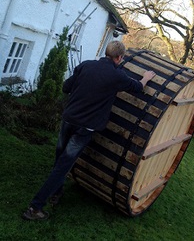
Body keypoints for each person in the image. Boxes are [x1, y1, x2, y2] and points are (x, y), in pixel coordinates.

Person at [22, 41, 156, 220]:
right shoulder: (117, 76)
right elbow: (138, 87)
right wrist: (146, 77)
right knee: (63, 166)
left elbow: (65, 87)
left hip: (68, 119)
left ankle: (56, 192)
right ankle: (34, 208)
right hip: (85, 127)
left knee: (60, 158)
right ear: (119, 57)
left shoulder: (86, 65)